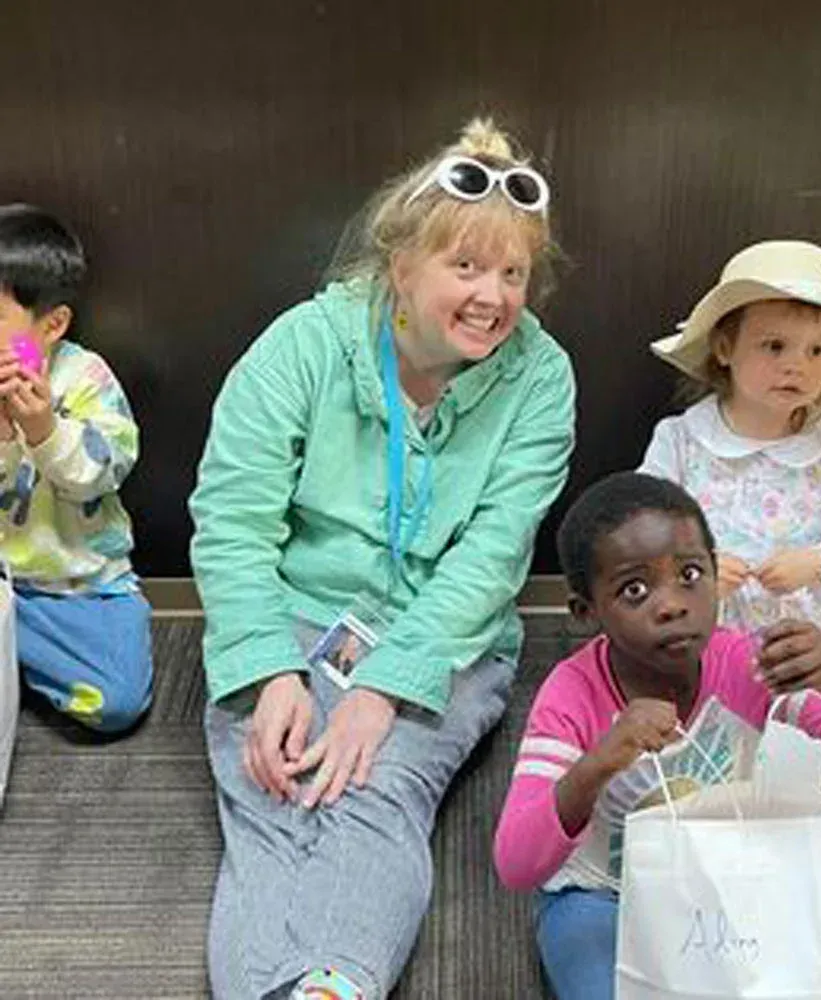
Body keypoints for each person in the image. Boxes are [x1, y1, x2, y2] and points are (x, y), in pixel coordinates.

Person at [189, 118, 575, 1000]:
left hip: (447, 633)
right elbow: (233, 517)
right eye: (467, 268)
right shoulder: (304, 345)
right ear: (400, 265)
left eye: (512, 273)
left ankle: (334, 986)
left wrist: (384, 686)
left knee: (378, 782)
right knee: (272, 780)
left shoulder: (541, 376)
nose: (494, 297)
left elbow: (490, 558)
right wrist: (273, 671)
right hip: (291, 607)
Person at [493, 472, 821, 1000]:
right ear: (586, 613)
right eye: (634, 589)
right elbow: (515, 863)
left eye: (690, 574)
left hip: (723, 881)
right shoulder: (570, 694)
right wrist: (598, 763)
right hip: (603, 893)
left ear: (716, 576)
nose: (671, 604)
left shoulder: (747, 664)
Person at [638, 240, 821, 642]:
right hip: (701, 629)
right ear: (724, 348)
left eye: (817, 350)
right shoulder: (681, 439)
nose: (797, 366)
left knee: (803, 702)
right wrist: (693, 568)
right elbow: (640, 526)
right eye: (775, 346)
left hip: (804, 637)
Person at [0, 203, 151, 733]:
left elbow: (103, 472)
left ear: (52, 325)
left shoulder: (85, 376)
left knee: (115, 703)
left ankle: (18, 658)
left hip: (80, 587)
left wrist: (42, 429)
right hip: (2, 581)